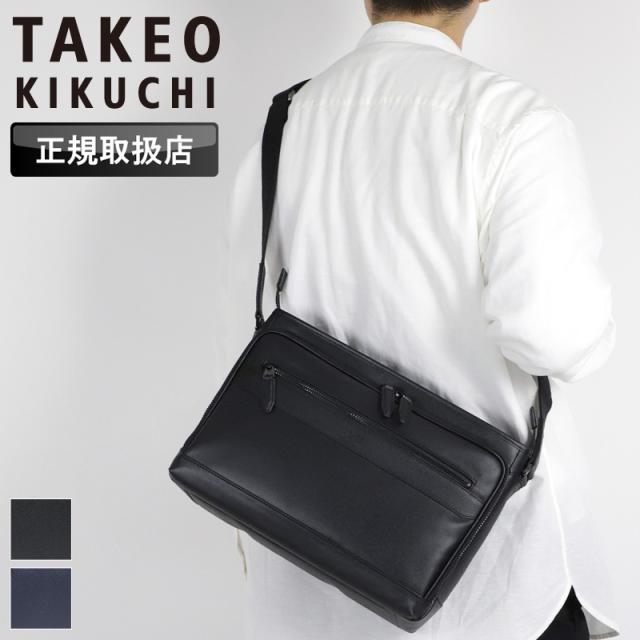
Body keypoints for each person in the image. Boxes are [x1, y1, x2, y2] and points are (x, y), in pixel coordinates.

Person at [227, 1, 620, 638]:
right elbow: (555, 336)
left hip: (306, 539)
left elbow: (244, 315)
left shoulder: (287, 121)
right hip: (484, 569)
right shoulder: (514, 122)